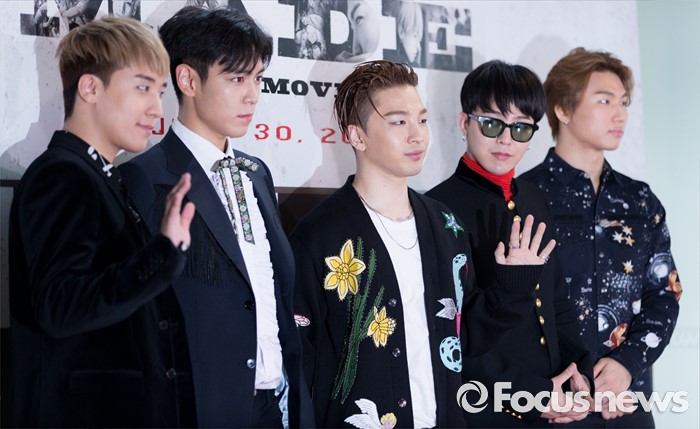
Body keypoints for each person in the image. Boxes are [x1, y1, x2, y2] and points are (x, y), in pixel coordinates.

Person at [291, 60, 559, 428]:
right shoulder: (320, 236)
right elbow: (300, 362)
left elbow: (462, 337)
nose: (417, 135)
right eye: (398, 122)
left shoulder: (445, 225)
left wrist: (514, 288)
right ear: (357, 136)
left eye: (422, 120)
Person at [119, 7, 313, 428]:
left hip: (277, 404)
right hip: (202, 408)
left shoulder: (256, 172)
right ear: (188, 80)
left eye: (257, 78)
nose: (253, 95)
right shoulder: (146, 178)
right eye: (237, 79)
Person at [8, 17, 196, 427]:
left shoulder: (97, 176)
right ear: (90, 88)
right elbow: (60, 307)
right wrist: (160, 255)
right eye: (143, 88)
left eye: (160, 92)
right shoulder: (63, 175)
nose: (156, 109)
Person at [427, 60, 594, 427]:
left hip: (556, 404)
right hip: (489, 410)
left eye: (520, 128)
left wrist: (580, 375)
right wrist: (533, 394)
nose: (506, 140)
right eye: (492, 124)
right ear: (464, 123)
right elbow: (451, 336)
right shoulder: (437, 210)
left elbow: (557, 304)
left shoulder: (534, 198)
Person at [520, 47, 681, 428]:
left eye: (623, 102)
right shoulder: (524, 197)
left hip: (626, 405)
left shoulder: (640, 200)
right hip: (552, 407)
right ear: (563, 109)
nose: (619, 114)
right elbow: (512, 306)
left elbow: (665, 295)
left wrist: (627, 363)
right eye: (604, 100)